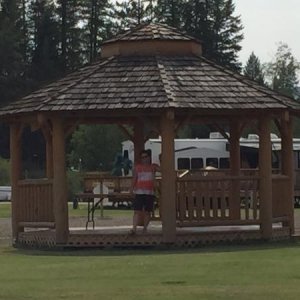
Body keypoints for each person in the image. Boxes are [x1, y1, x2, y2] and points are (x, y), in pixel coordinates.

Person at [129, 149, 160, 235]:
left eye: (145, 157)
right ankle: (134, 228)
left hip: (149, 192)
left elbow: (164, 170)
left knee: (147, 211)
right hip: (139, 192)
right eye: (142, 157)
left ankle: (145, 229)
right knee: (137, 210)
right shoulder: (137, 167)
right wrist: (131, 188)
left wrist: (161, 159)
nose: (144, 159)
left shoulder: (153, 167)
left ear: (149, 157)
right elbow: (134, 178)